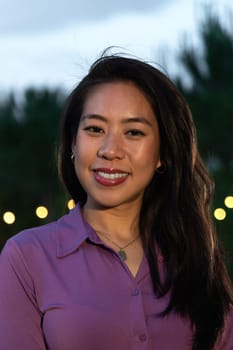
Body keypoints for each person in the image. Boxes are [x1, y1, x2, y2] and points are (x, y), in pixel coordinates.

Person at [0, 53, 233, 350]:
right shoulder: (26, 258)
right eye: (95, 129)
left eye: (134, 132)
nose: (110, 150)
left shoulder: (199, 258)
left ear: (163, 153)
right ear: (74, 142)